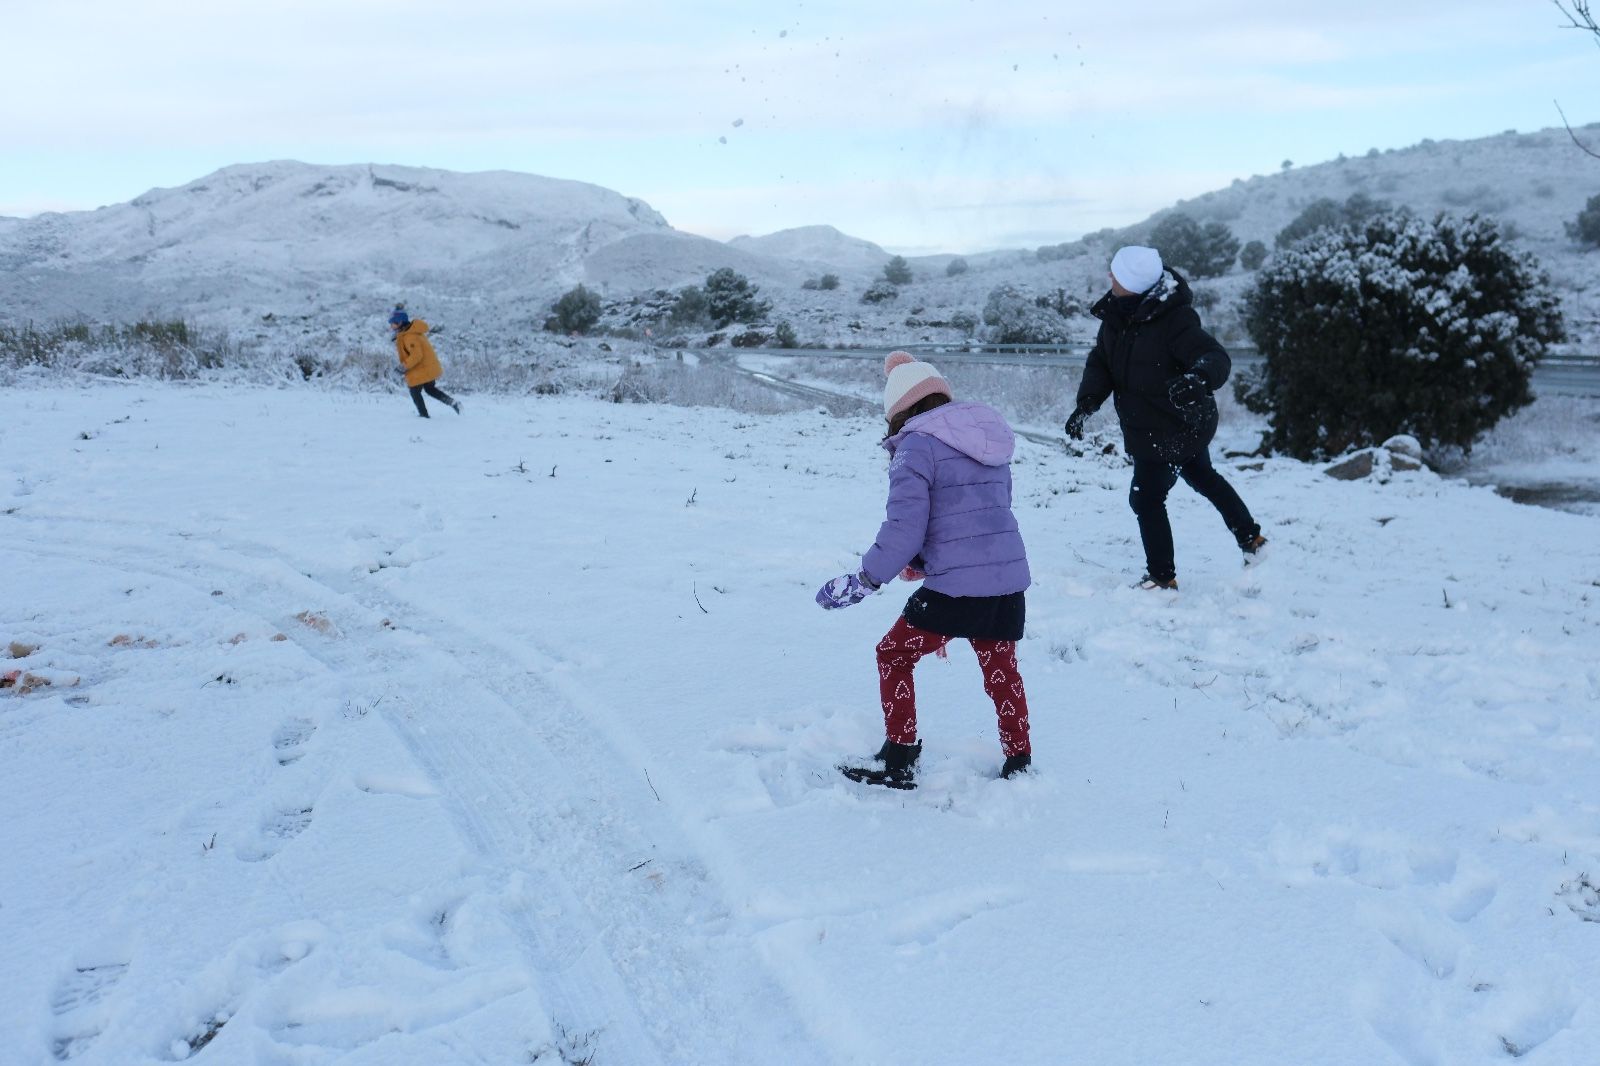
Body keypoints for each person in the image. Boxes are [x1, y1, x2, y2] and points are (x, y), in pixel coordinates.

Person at [816, 351, 1033, 789]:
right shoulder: (985, 437)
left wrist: (867, 579)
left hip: (954, 592)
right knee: (1000, 668)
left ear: (898, 410)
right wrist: (924, 561)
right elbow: (978, 514)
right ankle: (1019, 759)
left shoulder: (916, 445)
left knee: (893, 654)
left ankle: (900, 756)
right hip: (1005, 582)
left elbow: (905, 526)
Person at [1065, 246, 1265, 590]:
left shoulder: (1174, 319)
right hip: (1160, 423)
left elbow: (1213, 356)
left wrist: (1198, 379)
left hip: (1171, 427)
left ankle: (1162, 578)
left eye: (1117, 273)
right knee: (1202, 476)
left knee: (1145, 498)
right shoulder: (1118, 315)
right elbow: (1102, 361)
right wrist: (1087, 403)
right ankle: (1252, 541)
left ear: (1133, 282)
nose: (1110, 277)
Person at [388, 305, 461, 418]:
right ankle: (453, 403)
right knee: (430, 389)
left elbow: (417, 356)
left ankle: (424, 416)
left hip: (421, 369)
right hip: (427, 368)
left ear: (400, 322)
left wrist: (402, 367)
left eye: (393, 322)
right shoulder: (410, 332)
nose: (391, 325)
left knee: (415, 391)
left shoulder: (410, 336)